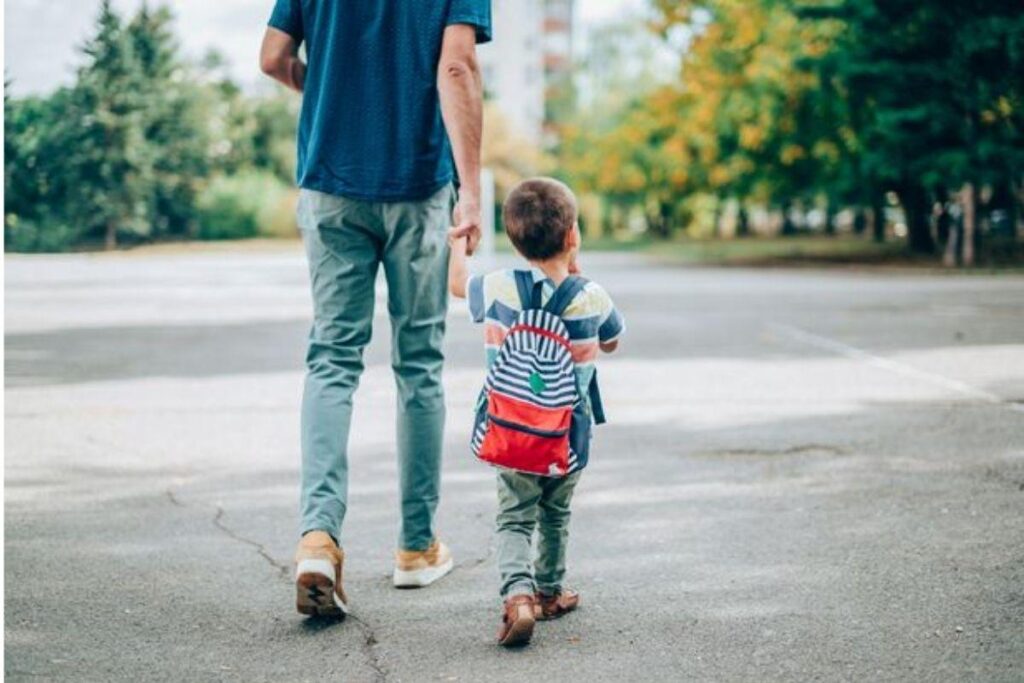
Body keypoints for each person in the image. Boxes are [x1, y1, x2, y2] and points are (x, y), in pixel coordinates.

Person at [259, 0, 492, 617]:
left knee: (333, 359)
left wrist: (329, 89)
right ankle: (416, 548)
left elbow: (273, 58)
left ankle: (318, 537)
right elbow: (458, 69)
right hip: (417, 186)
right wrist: (471, 192)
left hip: (330, 181)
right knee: (418, 364)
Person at [448, 178, 625, 646]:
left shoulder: (499, 287)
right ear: (572, 236)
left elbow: (456, 285)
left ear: (514, 239)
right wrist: (576, 275)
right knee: (555, 513)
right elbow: (610, 341)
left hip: (510, 432)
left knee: (514, 516)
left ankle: (518, 597)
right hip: (566, 436)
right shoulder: (592, 296)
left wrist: (459, 243)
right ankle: (548, 592)